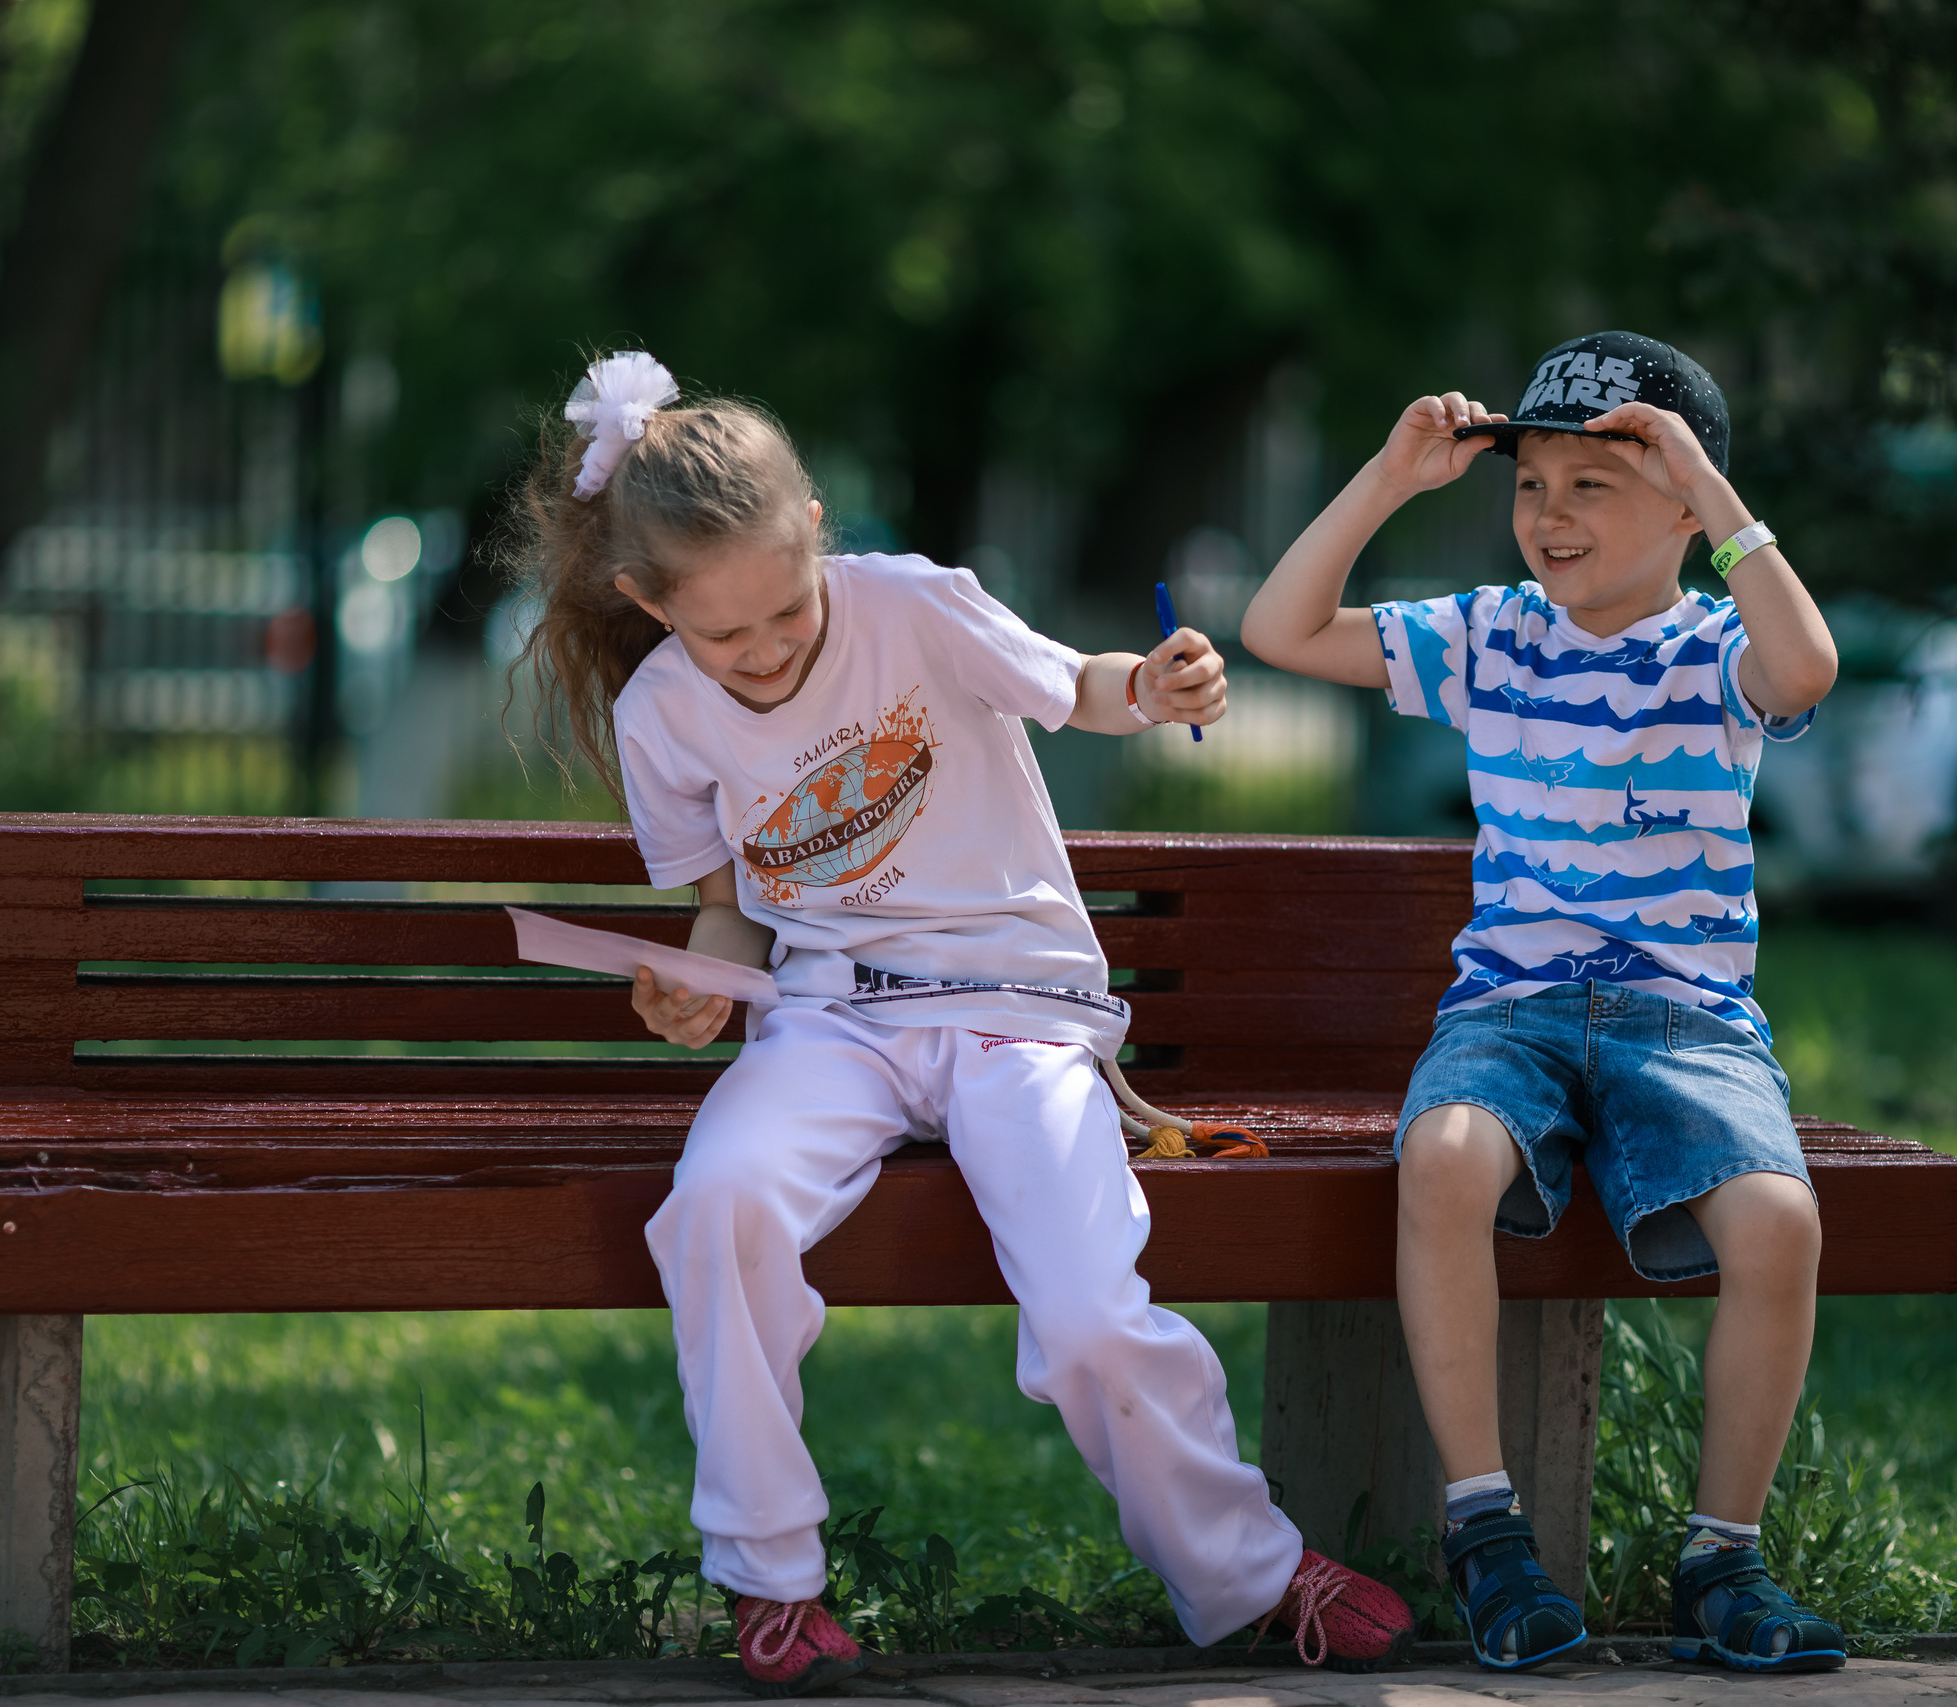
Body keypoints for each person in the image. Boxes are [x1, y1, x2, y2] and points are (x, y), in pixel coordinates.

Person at [510, 351, 1415, 1697]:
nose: (768, 652)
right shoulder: (663, 715)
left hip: (1015, 1010)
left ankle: (1253, 1569)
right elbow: (727, 914)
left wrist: (1153, 688)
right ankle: (768, 1577)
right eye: (725, 635)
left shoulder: (911, 603)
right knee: (718, 1205)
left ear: (818, 533)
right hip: (830, 1024)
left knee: (1090, 1313)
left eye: (789, 610)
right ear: (649, 601)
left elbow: (1077, 685)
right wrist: (694, 989)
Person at [1240, 332, 1847, 1675]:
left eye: (1594, 485)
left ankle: (1723, 1559)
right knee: (1445, 1156)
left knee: (1781, 1223)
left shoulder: (1719, 650)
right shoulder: (1489, 637)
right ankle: (1486, 1532)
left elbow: (1806, 670)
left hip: (1686, 1024)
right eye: (1531, 485)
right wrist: (1390, 480)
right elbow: (1277, 630)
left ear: (1685, 511)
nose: (1548, 514)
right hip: (1510, 1012)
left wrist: (1720, 494)